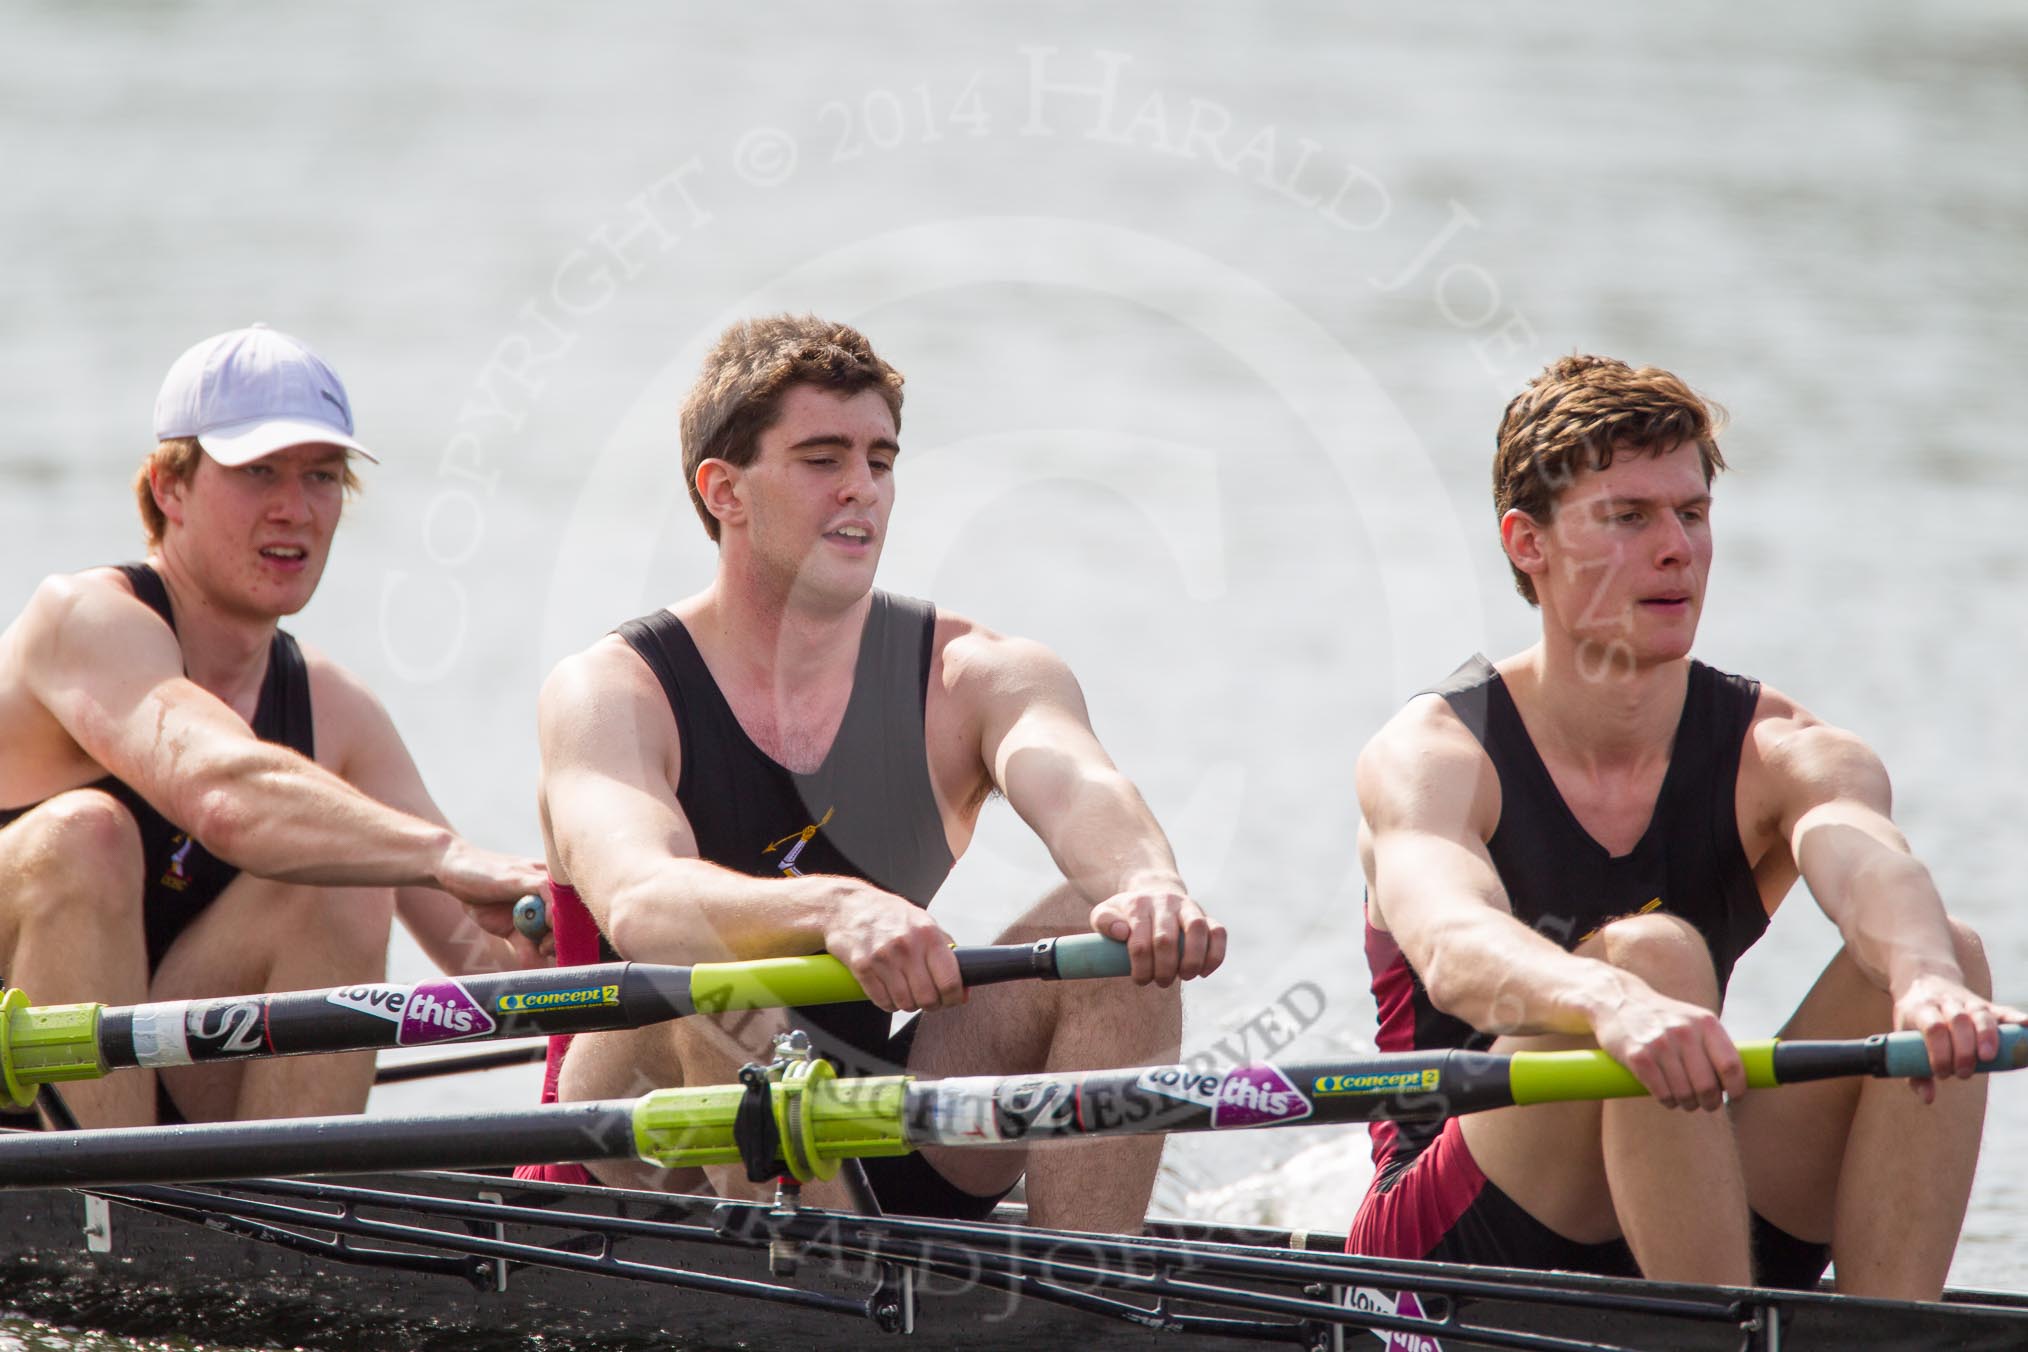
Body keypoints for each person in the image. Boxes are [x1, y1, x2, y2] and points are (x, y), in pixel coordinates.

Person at [522, 314, 1224, 1232]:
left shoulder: (974, 674)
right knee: (714, 978)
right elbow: (644, 901)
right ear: (723, 489)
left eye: (881, 461)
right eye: (822, 459)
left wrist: (1148, 886)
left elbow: (1081, 785)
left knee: (1110, 953)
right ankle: (829, 1298)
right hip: (637, 1156)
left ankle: (1083, 1303)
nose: (862, 490)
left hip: (864, 1130)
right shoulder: (612, 690)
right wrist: (834, 907)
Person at [1347, 354, 2019, 1298]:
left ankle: (1887, 1326)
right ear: (1526, 543)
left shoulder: (1785, 751)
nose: (1678, 549)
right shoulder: (1437, 753)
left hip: (1685, 1185)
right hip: (1462, 1228)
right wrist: (1613, 1003)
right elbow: (1458, 951)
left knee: (1947, 949)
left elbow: (1871, 868)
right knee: (1653, 955)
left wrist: (1929, 984)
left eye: (1692, 515)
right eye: (1628, 517)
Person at [0, 324, 547, 1130]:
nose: (295, 508)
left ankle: (281, 1225)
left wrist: (642, 917)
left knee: (353, 891)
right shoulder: (82, 620)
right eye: (258, 471)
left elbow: (495, 956)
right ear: (167, 488)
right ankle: (105, 1222)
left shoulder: (337, 711)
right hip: (19, 1089)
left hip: (153, 1084)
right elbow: (222, 791)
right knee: (90, 833)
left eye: (321, 476)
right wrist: (446, 857)